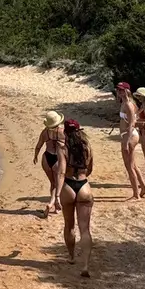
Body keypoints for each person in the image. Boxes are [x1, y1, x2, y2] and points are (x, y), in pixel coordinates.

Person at [61, 118, 96, 277]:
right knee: (85, 229)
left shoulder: (63, 148)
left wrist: (56, 193)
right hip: (83, 185)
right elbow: (90, 169)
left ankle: (71, 256)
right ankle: (86, 265)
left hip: (68, 185)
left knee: (69, 225)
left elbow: (61, 171)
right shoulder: (87, 147)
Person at [116, 81, 145, 200]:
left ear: (126, 91)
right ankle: (143, 188)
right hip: (127, 134)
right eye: (118, 90)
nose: (119, 92)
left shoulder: (128, 104)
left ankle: (136, 194)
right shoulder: (126, 103)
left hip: (129, 135)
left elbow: (132, 124)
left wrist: (125, 141)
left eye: (121, 90)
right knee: (132, 164)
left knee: (129, 166)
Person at [33, 110, 65, 215]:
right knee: (59, 183)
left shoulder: (45, 132)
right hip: (57, 158)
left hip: (46, 158)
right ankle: (53, 204)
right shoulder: (61, 132)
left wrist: (35, 156)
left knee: (53, 183)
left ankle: (54, 204)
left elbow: (38, 146)